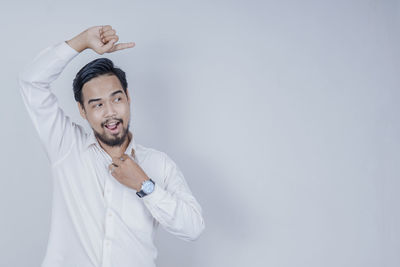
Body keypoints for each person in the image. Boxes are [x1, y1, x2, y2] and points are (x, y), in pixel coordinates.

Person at [19, 25, 205, 267]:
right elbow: (31, 82)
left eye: (116, 99)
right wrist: (82, 41)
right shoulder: (65, 146)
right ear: (82, 111)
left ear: (128, 96)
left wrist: (145, 186)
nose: (110, 113)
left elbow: (193, 228)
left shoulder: (159, 164)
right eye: (97, 105)